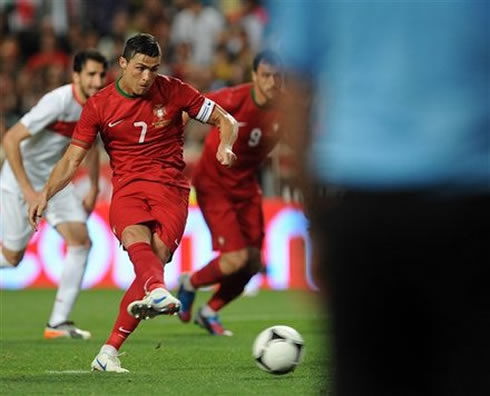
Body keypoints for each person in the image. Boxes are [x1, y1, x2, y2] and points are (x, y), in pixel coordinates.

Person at [270, 2, 490, 396]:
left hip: (362, 205)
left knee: (365, 377)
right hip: (467, 202)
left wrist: (317, 223)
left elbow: (295, 89)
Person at [28, 33, 238, 373]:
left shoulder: (174, 90)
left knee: (153, 259)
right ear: (122, 64)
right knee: (137, 243)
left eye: (153, 69)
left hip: (170, 189)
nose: (146, 77)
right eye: (140, 68)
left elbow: (225, 120)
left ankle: (108, 352)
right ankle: (157, 290)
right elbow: (71, 161)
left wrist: (224, 146)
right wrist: (43, 194)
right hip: (127, 188)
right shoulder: (99, 104)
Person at [0, 49, 107, 340]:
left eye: (101, 75)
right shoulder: (57, 102)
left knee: (81, 242)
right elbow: (10, 139)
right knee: (11, 259)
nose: (97, 81)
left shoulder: (98, 104)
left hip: (54, 181)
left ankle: (57, 323)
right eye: (91, 74)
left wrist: (95, 186)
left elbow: (93, 143)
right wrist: (27, 190)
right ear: (76, 76)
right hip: (20, 180)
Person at [177, 50, 282, 336]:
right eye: (266, 75)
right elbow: (191, 107)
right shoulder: (235, 98)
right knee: (234, 258)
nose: (273, 82)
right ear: (254, 77)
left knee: (253, 262)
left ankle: (209, 311)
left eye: (278, 76)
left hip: (246, 185)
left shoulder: (286, 110)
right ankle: (190, 282)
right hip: (214, 182)